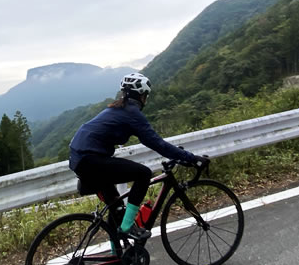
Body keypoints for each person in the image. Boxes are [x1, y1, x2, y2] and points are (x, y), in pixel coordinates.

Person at [68, 72, 209, 241]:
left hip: (81, 158)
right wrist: (192, 158)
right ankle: (128, 228)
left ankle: (118, 256)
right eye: (146, 96)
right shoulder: (132, 114)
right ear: (142, 95)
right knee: (143, 174)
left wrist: (180, 155)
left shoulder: (116, 108)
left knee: (117, 211)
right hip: (91, 159)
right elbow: (159, 144)